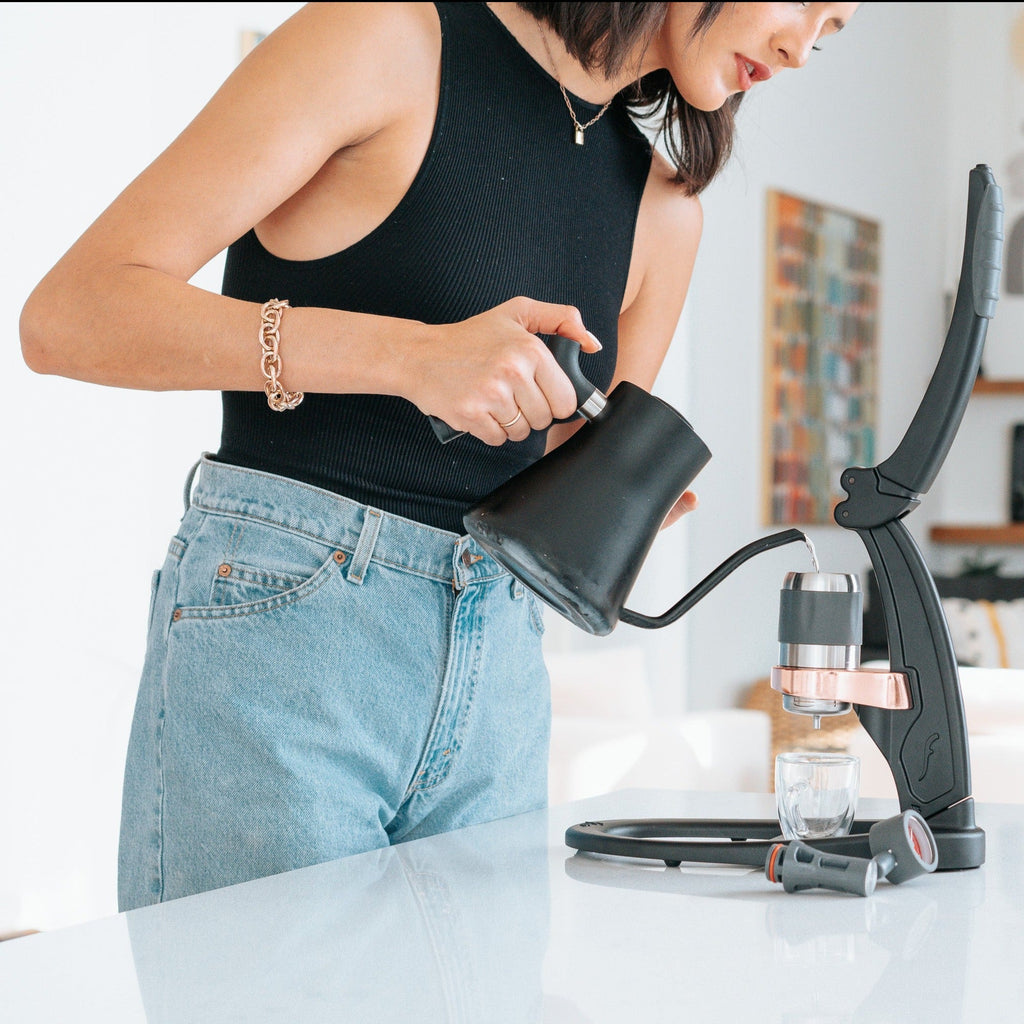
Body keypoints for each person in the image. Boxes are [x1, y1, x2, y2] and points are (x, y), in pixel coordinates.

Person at [19, 1, 858, 910]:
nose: (801, 47)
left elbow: (542, 490)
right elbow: (71, 314)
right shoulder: (386, 38)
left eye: (835, 29)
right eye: (801, 1)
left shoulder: (664, 214)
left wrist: (609, 506)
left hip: (498, 675)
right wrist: (410, 357)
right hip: (289, 638)